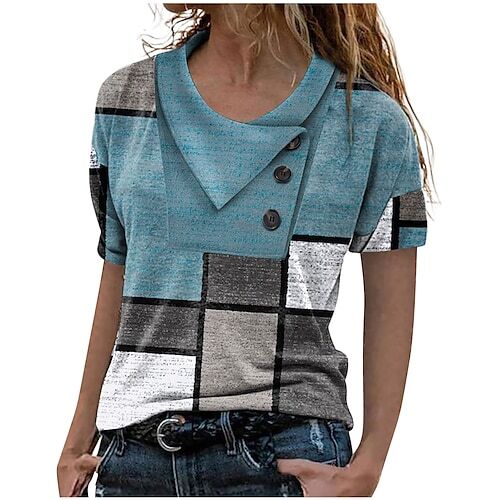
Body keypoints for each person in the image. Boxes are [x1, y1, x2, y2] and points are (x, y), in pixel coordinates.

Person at [57, 3, 433, 497]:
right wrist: (76, 440)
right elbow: (120, 272)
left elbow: (390, 307)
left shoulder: (367, 120)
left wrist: (369, 466)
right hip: (133, 459)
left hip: (285, 454)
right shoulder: (126, 101)